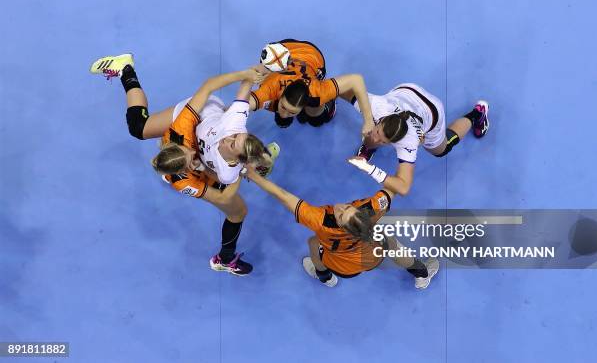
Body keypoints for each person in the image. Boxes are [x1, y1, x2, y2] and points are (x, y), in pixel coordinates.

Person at [90, 53, 278, 276]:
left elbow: (208, 86)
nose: (192, 153)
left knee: (140, 128)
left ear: (172, 145)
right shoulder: (183, 181)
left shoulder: (180, 129)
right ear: (181, 172)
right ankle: (225, 259)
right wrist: (240, 171)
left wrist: (245, 74)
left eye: (188, 153)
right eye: (190, 159)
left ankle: (126, 70)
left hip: (204, 112)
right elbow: (221, 197)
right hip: (210, 143)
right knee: (238, 211)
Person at [243, 166, 439, 288]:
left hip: (342, 267)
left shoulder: (320, 221)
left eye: (341, 214)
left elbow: (284, 197)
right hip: (373, 257)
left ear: (340, 225)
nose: (340, 207)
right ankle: (422, 274)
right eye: (347, 208)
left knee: (313, 243)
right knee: (392, 244)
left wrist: (256, 177)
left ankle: (324, 276)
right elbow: (397, 187)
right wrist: (406, 155)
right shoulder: (369, 209)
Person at [344, 83, 490, 196]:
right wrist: (325, 100)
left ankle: (477, 115)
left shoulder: (408, 142)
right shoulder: (376, 105)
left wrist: (368, 168)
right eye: (377, 132)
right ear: (381, 120)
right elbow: (341, 89)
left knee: (442, 149)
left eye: (383, 142)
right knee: (370, 132)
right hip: (406, 91)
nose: (376, 139)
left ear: (395, 143)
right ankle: (369, 144)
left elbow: (404, 187)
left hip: (432, 111)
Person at [250, 39, 375, 137]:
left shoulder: (316, 91)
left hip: (311, 55)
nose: (284, 114)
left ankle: (328, 104)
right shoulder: (268, 90)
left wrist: (368, 120)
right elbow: (239, 105)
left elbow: (356, 80)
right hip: (280, 50)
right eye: (283, 107)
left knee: (317, 118)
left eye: (292, 112)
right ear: (281, 95)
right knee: (282, 119)